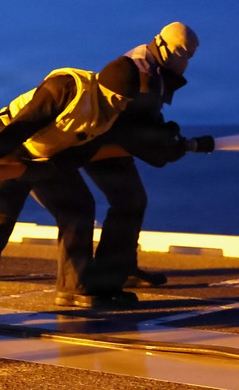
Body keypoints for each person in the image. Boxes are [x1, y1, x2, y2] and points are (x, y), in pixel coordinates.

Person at [0, 56, 142, 316]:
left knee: (78, 207)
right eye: (116, 99)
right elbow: (22, 127)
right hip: (11, 142)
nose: (119, 106)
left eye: (125, 101)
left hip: (49, 154)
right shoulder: (66, 87)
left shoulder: (113, 111)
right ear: (102, 88)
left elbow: (83, 151)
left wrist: (51, 168)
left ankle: (74, 289)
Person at [84, 22, 214, 291]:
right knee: (127, 202)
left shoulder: (149, 63)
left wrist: (165, 136)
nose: (186, 63)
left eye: (190, 57)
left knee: (132, 201)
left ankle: (123, 269)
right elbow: (135, 133)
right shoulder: (146, 75)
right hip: (101, 145)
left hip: (111, 141)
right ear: (166, 48)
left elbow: (143, 121)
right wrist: (171, 149)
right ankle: (107, 275)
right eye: (183, 55)